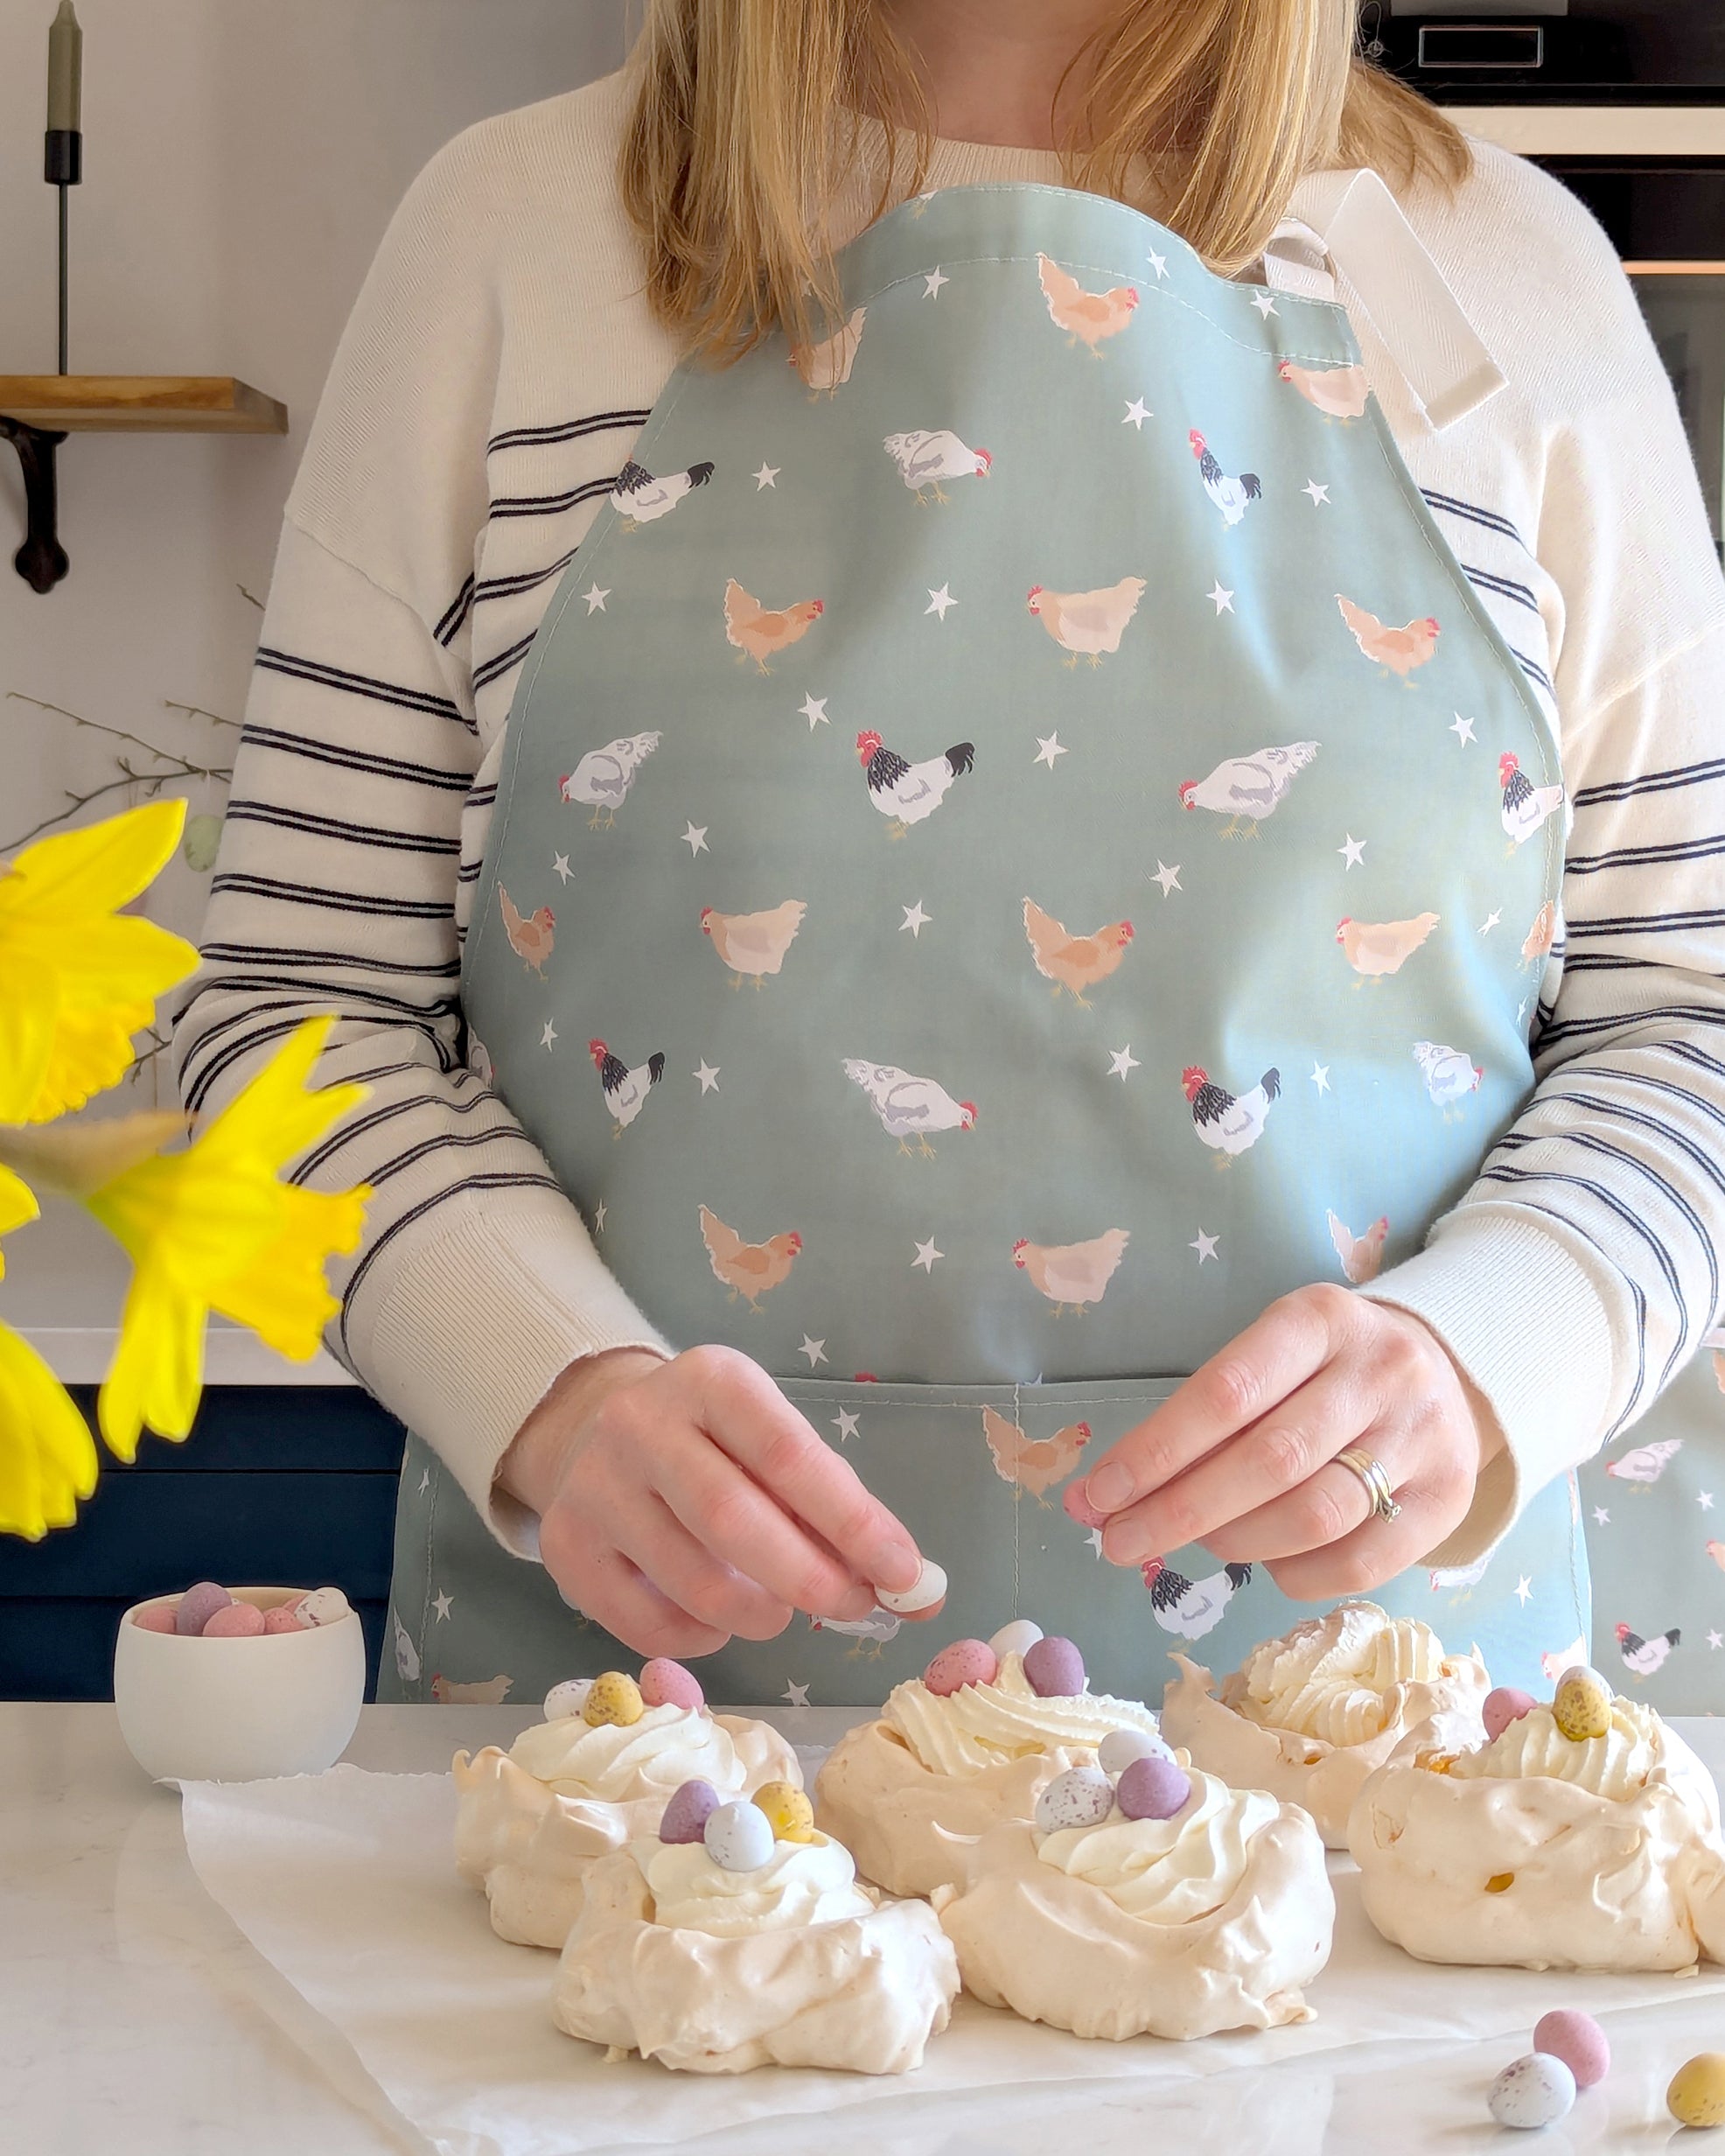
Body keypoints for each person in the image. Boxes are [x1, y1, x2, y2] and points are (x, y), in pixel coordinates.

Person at [173, 0, 1725, 1712]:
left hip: (1386, 1814)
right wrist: (544, 1386)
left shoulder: (1508, 288)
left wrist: (1484, 1349)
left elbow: (1687, 1019)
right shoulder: (509, 244)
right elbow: (292, 1012)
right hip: (646, 1798)